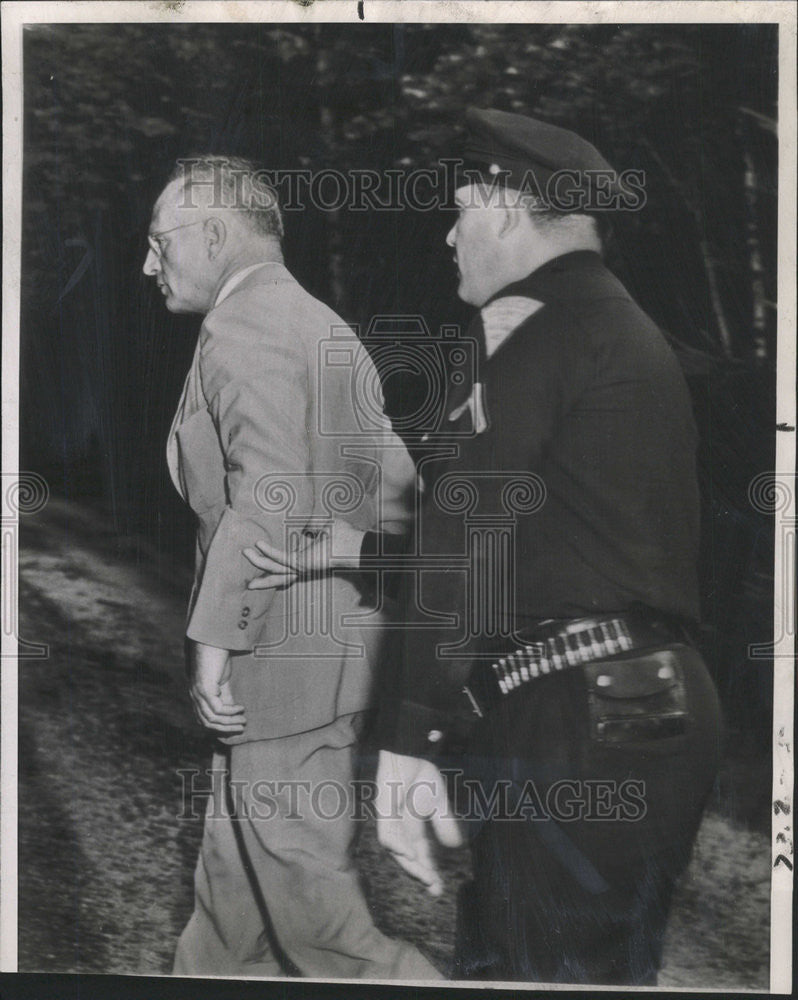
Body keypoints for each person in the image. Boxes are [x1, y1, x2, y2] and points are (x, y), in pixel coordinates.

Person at [244, 110, 723, 986]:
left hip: (575, 713)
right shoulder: (619, 330)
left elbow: (473, 537)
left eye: (461, 208)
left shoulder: (526, 323)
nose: (449, 232)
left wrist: (407, 743)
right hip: (649, 702)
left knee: (528, 973)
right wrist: (356, 550)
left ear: (503, 206)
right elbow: (556, 554)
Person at [143, 155, 440, 979]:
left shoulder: (244, 325)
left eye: (159, 242)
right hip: (330, 648)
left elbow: (268, 498)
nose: (147, 263)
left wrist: (213, 648)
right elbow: (393, 497)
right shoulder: (318, 320)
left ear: (212, 234)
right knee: (227, 924)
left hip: (285, 659)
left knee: (328, 937)